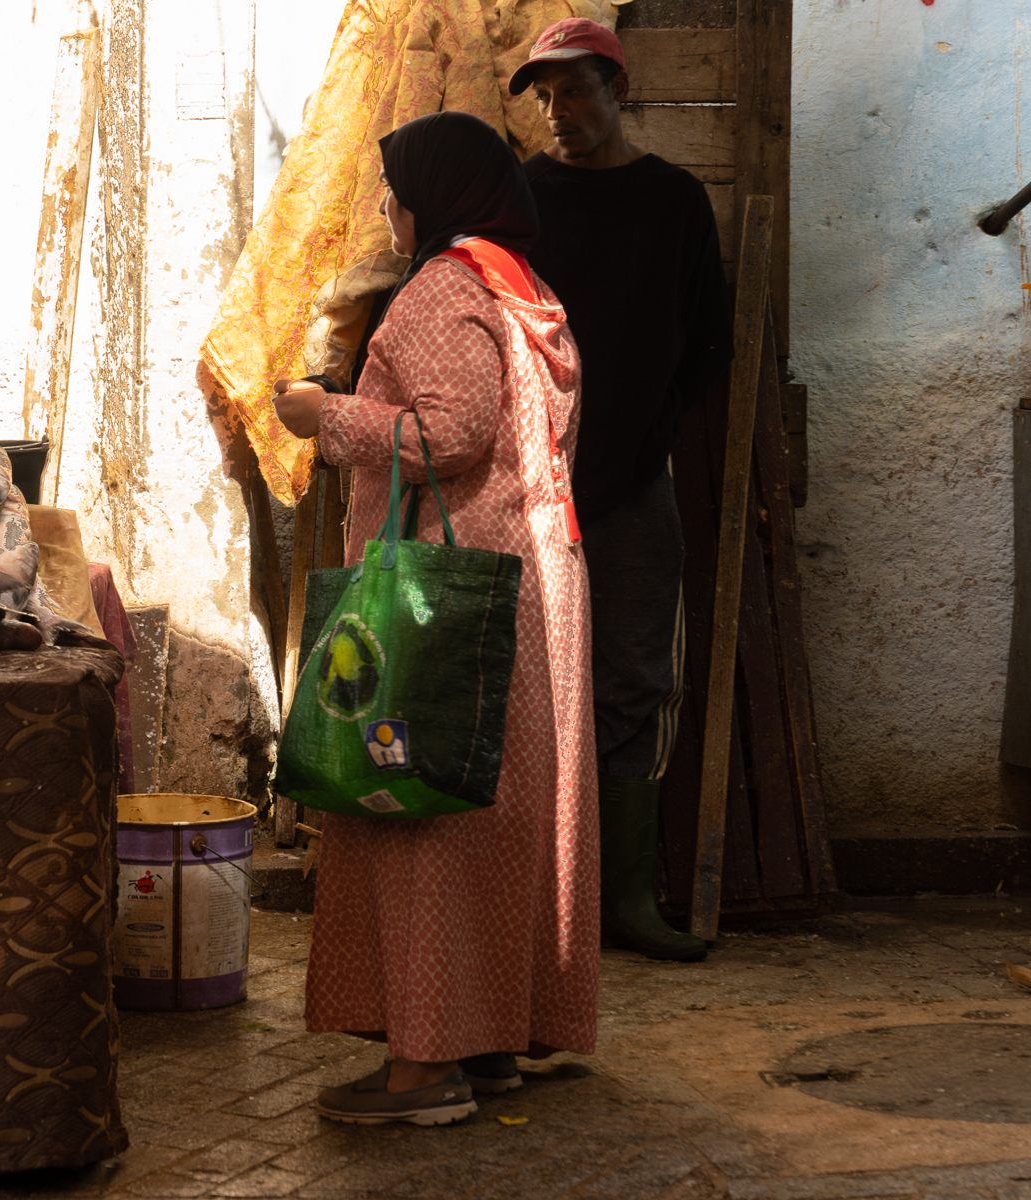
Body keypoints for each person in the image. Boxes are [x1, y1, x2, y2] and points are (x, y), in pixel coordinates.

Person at [271, 111, 596, 1126]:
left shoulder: (443, 290)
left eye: (395, 188)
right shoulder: (524, 289)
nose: (388, 207)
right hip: (533, 585)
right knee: (497, 820)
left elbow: (451, 437)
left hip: (442, 596)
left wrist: (327, 417)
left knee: (416, 813)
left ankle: (424, 1070)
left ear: (440, 192)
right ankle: (488, 1041)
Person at [511, 18, 733, 962]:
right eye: (546, 97)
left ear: (618, 91)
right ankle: (543, 909)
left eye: (576, 93)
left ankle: (628, 904)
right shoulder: (523, 198)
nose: (559, 114)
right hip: (534, 480)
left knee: (634, 684)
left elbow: (707, 342)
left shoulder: (674, 202)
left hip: (635, 485)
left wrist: (641, 437)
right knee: (530, 690)